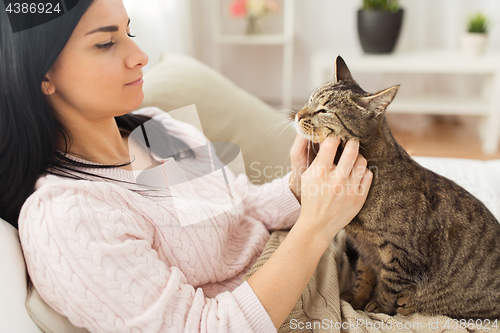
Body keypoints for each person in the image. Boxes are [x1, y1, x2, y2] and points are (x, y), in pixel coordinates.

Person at [0, 0, 373, 331]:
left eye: (130, 31)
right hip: (304, 307)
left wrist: (300, 187)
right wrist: (315, 226)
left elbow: (243, 205)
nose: (140, 55)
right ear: (43, 74)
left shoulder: (152, 127)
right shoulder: (69, 215)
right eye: (106, 42)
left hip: (334, 257)